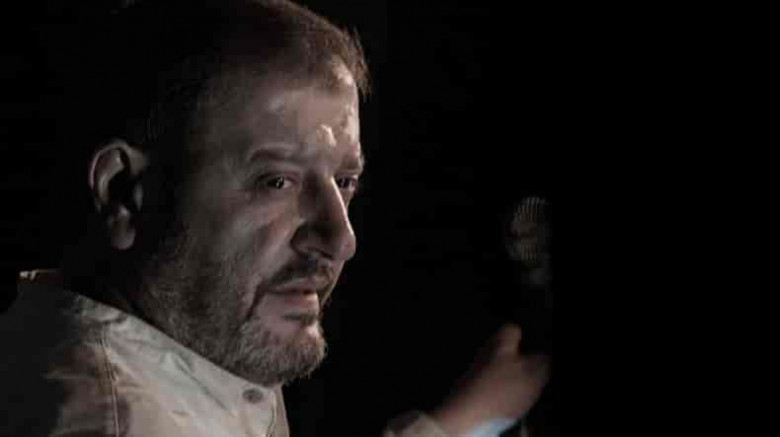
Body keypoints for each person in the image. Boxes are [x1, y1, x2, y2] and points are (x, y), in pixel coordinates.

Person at [0, 1, 549, 436]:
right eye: (276, 182)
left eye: (345, 181)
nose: (341, 238)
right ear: (125, 193)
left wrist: (451, 427)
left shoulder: (178, 345)